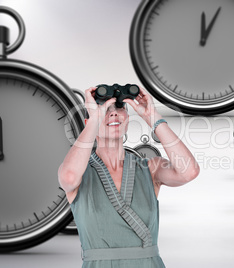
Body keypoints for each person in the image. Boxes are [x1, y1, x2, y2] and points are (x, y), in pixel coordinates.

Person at [58, 85, 200, 268]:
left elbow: (189, 172)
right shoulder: (80, 172)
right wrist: (95, 120)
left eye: (119, 108)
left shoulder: (150, 168)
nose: (114, 114)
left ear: (127, 118)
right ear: (89, 122)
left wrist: (153, 117)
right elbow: (68, 178)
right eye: (105, 110)